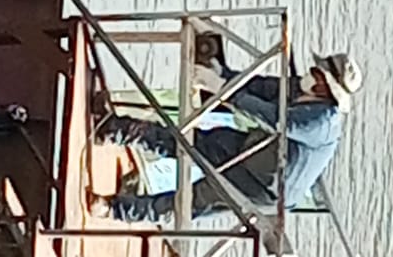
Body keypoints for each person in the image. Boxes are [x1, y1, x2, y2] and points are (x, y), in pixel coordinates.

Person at [89, 51, 362, 224]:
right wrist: (223, 75)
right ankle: (113, 129)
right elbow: (261, 87)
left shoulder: (322, 122)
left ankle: (114, 209)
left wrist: (222, 89)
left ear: (326, 87)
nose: (310, 74)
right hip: (254, 151)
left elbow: (276, 119)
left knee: (197, 197)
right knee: (191, 142)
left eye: (318, 73)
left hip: (266, 189)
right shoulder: (301, 88)